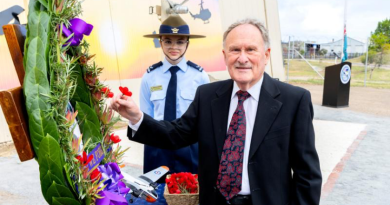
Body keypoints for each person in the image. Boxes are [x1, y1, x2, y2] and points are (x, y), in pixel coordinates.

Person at [111, 18, 322, 205]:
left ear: (266, 55)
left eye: (250, 49)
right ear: (225, 55)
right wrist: (136, 117)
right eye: (235, 50)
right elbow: (175, 134)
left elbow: (307, 176)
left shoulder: (294, 101)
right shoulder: (208, 96)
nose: (242, 58)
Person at [132, 15, 209, 204]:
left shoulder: (199, 76)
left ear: (187, 43)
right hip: (157, 147)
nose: (174, 47)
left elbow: (205, 119)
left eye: (180, 41)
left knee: (191, 196)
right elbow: (146, 116)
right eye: (168, 41)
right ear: (160, 42)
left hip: (189, 147)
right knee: (155, 196)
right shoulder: (149, 77)